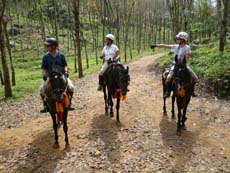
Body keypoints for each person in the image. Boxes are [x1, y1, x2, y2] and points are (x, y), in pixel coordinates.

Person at [151, 32, 198, 97]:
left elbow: (187, 58)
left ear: (183, 40)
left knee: (195, 78)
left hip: (184, 65)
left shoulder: (187, 47)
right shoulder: (175, 46)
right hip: (175, 65)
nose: (177, 39)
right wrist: (156, 45)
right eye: (177, 38)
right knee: (168, 78)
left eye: (179, 38)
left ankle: (192, 91)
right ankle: (168, 91)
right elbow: (165, 45)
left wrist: (183, 64)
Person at [39, 38, 75, 113]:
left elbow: (65, 65)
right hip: (50, 76)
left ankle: (70, 103)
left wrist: (65, 71)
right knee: (41, 89)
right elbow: (44, 68)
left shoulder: (61, 55)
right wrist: (45, 75)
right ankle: (45, 105)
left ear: (54, 46)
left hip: (61, 75)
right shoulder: (45, 57)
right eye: (47, 46)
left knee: (71, 87)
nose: (47, 47)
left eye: (48, 46)